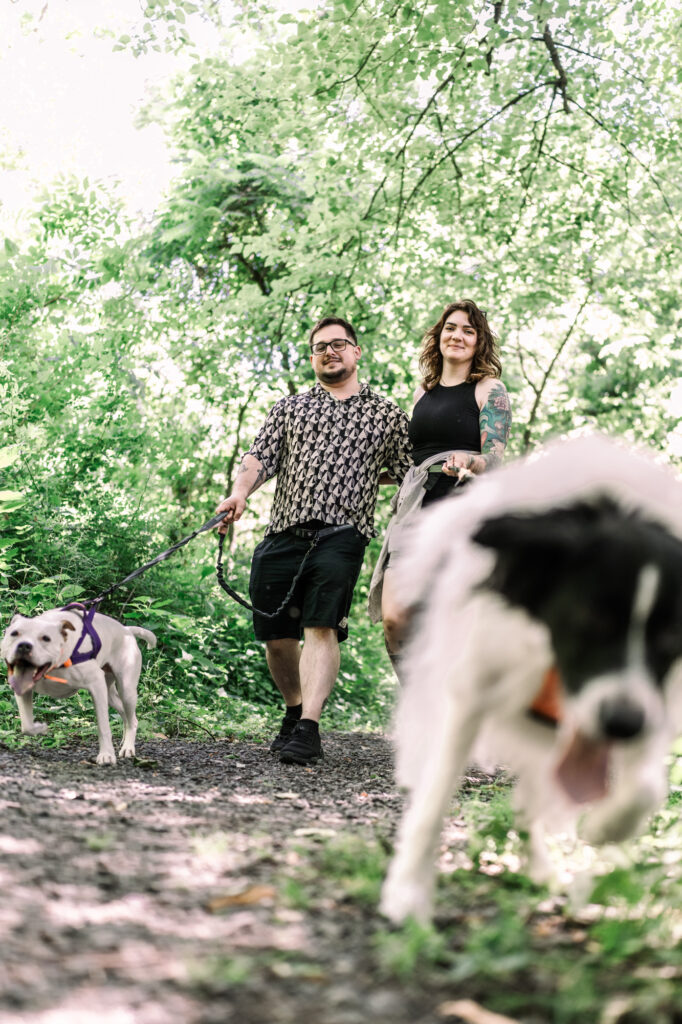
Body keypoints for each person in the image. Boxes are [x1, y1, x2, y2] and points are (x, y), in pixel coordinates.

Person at [215, 316, 412, 765]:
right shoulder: (289, 409)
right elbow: (259, 457)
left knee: (320, 627)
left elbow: (408, 473)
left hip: (343, 535)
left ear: (357, 352)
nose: (330, 351)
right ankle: (293, 708)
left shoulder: (388, 415)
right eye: (321, 347)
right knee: (276, 634)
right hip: (284, 531)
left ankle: (309, 727)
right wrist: (239, 494)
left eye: (340, 344)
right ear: (312, 359)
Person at [369, 299, 512, 670]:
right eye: (451, 327)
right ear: (439, 335)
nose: (458, 336)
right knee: (395, 618)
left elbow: (494, 459)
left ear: (479, 341)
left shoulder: (488, 389)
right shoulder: (423, 392)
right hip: (414, 506)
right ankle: (419, 706)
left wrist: (468, 460)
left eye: (468, 330)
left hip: (462, 507)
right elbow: (412, 460)